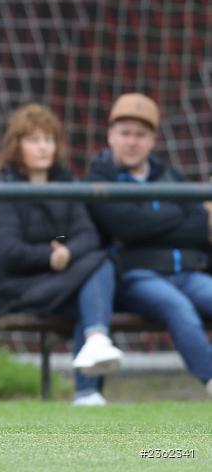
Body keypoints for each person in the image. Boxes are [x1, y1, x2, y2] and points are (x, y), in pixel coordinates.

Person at [0, 104, 123, 406]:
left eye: (49, 139)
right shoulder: (1, 188)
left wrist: (67, 251)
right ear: (15, 146)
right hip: (17, 287)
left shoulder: (67, 183)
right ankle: (88, 383)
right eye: (34, 140)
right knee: (99, 271)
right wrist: (49, 256)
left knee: (94, 280)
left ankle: (90, 379)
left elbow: (87, 235)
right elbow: (6, 251)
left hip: (64, 278)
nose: (43, 147)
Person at [86, 93, 212, 398]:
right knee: (178, 308)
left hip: (190, 273)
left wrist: (151, 222)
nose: (132, 142)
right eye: (125, 133)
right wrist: (179, 213)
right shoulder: (98, 180)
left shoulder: (171, 176)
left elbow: (200, 228)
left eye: (140, 135)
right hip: (136, 277)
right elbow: (126, 227)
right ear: (111, 136)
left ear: (152, 139)